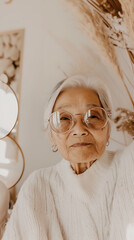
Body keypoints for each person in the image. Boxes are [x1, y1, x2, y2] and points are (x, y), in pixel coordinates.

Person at [2, 74, 134, 240]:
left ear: (107, 130)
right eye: (64, 118)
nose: (79, 129)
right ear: (51, 136)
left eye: (93, 116)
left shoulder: (129, 165)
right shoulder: (38, 186)